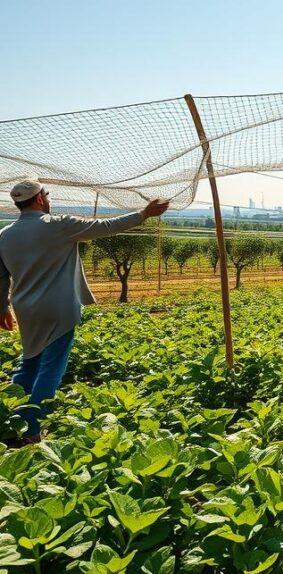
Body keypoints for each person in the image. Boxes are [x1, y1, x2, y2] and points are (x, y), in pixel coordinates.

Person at [0, 178, 169, 443]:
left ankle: (9, 421)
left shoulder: (5, 234)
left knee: (29, 362)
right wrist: (143, 214)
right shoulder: (59, 226)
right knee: (51, 369)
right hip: (58, 308)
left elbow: (1, 278)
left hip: (26, 309)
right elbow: (105, 226)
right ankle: (31, 431)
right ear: (41, 199)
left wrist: (2, 307)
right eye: (47, 194)